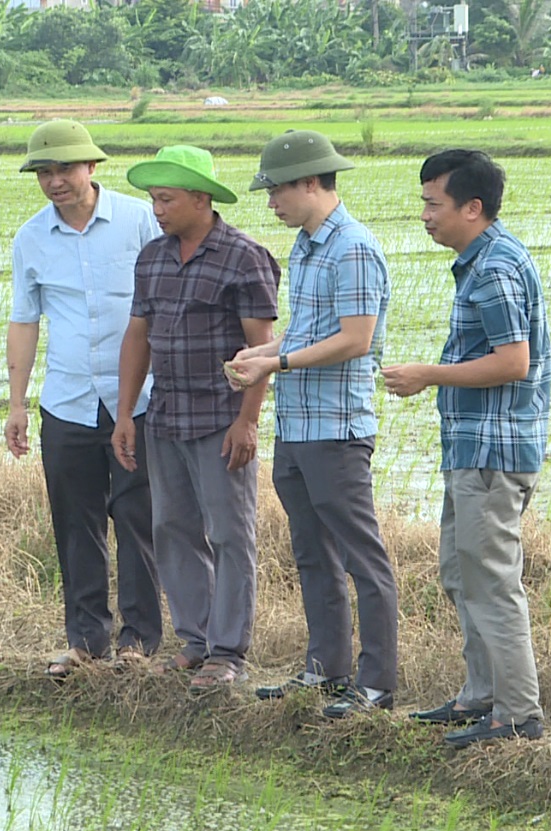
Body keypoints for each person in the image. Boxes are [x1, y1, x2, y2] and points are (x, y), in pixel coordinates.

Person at [224, 130, 399, 719]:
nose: (270, 202)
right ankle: (325, 671)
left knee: (361, 558)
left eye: (275, 190)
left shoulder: (352, 247)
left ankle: (375, 685)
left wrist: (275, 360)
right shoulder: (307, 245)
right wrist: (263, 353)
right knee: (312, 554)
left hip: (336, 428)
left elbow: (356, 340)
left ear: (309, 183)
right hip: (297, 426)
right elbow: (309, 331)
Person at [382, 149, 551, 748]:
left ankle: (517, 714)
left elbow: (513, 362)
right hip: (473, 450)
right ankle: (482, 697)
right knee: (462, 572)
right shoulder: (481, 261)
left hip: (493, 453)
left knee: (491, 579)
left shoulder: (496, 267)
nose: (425, 215)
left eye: (434, 204)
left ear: (471, 208)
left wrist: (429, 373)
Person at [113, 145, 280, 693]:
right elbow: (139, 336)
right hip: (165, 416)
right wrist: (126, 412)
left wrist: (247, 420)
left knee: (230, 534)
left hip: (219, 418)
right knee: (172, 528)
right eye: (153, 199)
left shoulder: (243, 257)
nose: (157, 209)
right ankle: (195, 641)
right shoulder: (153, 258)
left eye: (167, 198)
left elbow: (263, 348)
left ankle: (228, 651)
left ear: (201, 199)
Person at [6, 120, 164, 679]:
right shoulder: (30, 239)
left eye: (65, 170)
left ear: (91, 168)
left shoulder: (139, 221)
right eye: (44, 172)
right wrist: (17, 402)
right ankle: (86, 640)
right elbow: (25, 320)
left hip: (138, 400)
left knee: (139, 519)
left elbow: (165, 303)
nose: (55, 182)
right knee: (76, 523)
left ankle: (139, 643)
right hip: (67, 400)